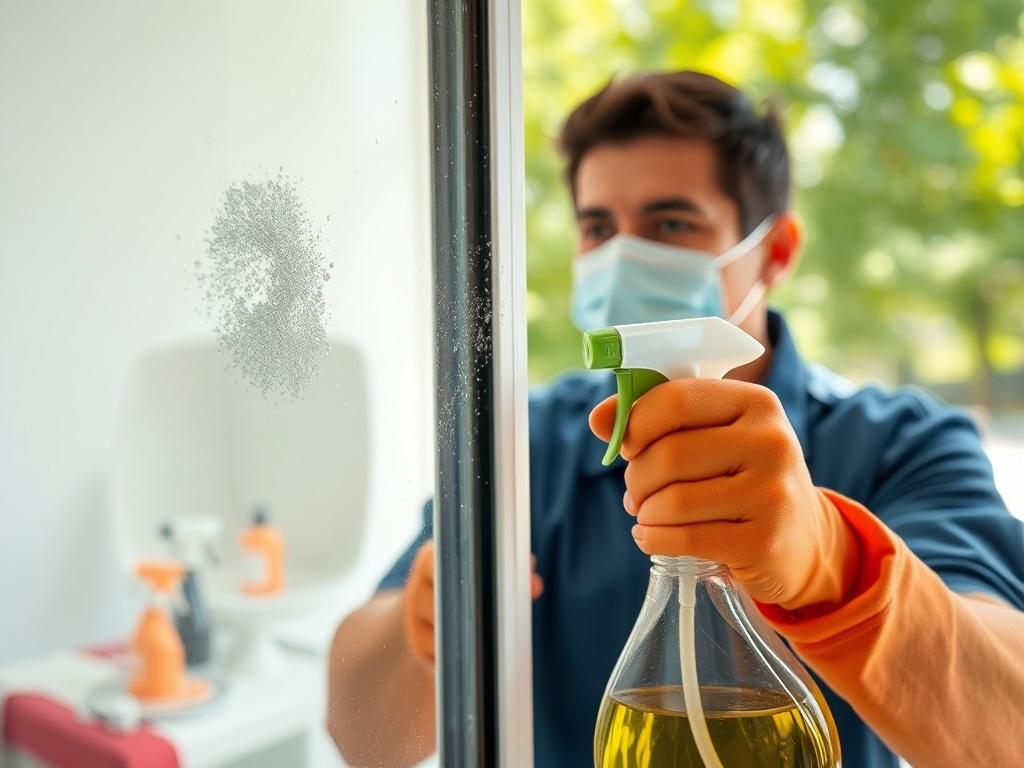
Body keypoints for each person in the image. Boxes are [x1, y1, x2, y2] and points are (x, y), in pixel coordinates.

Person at [328, 71, 1024, 767]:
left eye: (670, 224)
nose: (623, 257)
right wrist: (429, 628)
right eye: (598, 227)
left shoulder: (903, 445)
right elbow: (361, 739)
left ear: (776, 251)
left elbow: (1008, 727)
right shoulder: (523, 448)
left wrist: (832, 563)